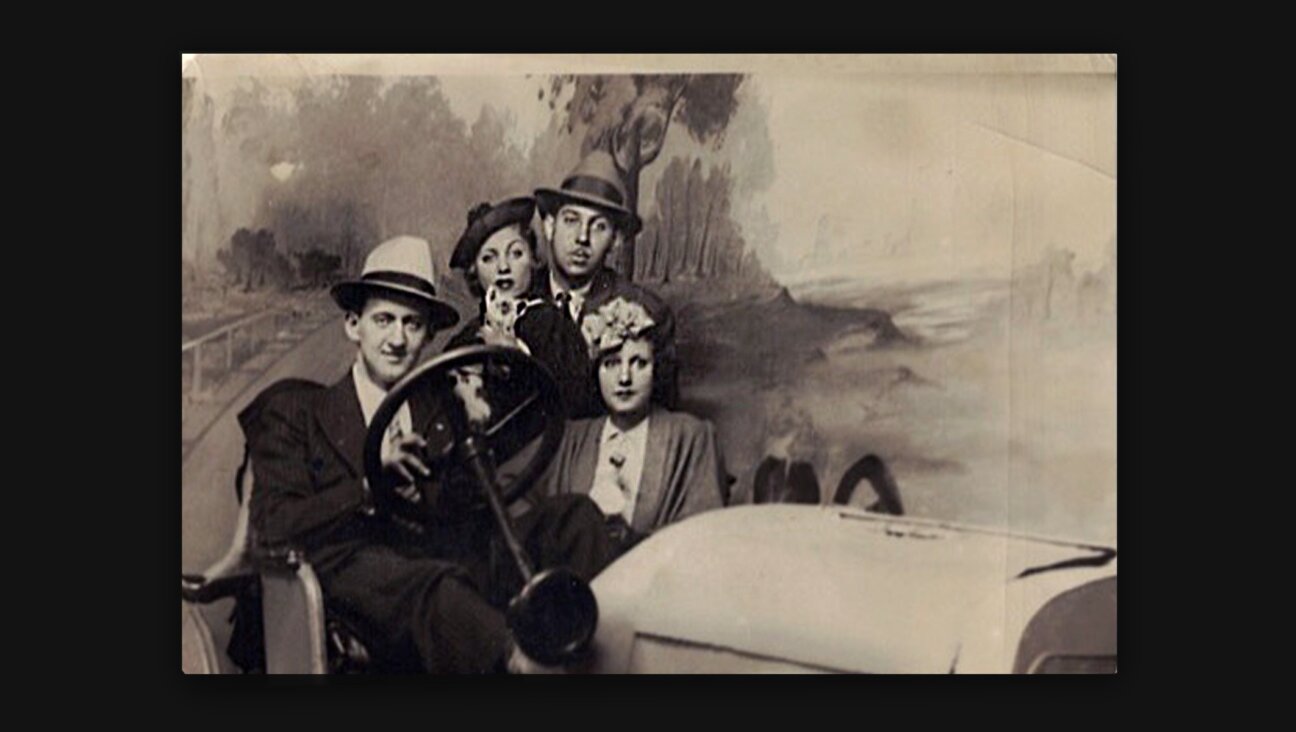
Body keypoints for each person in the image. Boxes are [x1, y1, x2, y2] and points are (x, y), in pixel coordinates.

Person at [248, 235, 613, 673]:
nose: (397, 339)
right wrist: (368, 486)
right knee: (438, 590)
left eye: (413, 324)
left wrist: (471, 451)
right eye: (383, 320)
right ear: (353, 325)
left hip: (444, 557)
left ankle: (602, 655)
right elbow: (272, 525)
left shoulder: (443, 406)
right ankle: (520, 670)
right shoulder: (298, 413)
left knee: (575, 519)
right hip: (356, 579)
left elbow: (468, 512)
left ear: (427, 336)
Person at [540, 286, 728, 555]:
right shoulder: (570, 439)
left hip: (654, 581)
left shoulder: (691, 436)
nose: (624, 378)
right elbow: (513, 494)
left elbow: (704, 528)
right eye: (611, 363)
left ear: (657, 369)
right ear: (596, 372)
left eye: (639, 363)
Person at [534, 150, 679, 414]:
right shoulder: (517, 296)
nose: (582, 238)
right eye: (571, 221)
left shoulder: (646, 313)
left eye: (599, 226)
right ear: (549, 225)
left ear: (615, 240)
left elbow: (660, 424)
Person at [444, 197, 593, 427]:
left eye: (515, 254)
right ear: (474, 271)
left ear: (533, 259)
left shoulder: (552, 324)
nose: (503, 267)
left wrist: (518, 355)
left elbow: (577, 400)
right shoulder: (464, 341)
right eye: (488, 258)